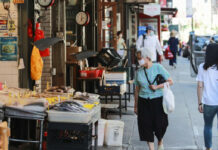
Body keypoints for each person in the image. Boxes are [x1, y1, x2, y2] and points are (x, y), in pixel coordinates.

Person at [134, 50, 173, 150]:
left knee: (161, 126)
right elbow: (137, 90)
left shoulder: (158, 67)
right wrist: (135, 105)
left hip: (158, 101)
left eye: (140, 58)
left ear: (147, 57)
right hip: (143, 102)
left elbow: (170, 81)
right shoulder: (139, 72)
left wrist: (157, 86)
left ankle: (160, 140)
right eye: (138, 59)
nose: (139, 61)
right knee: (146, 126)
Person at [196, 43, 218, 150]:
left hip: (209, 102)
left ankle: (208, 148)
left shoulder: (202, 67)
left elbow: (200, 86)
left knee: (208, 126)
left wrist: (200, 102)